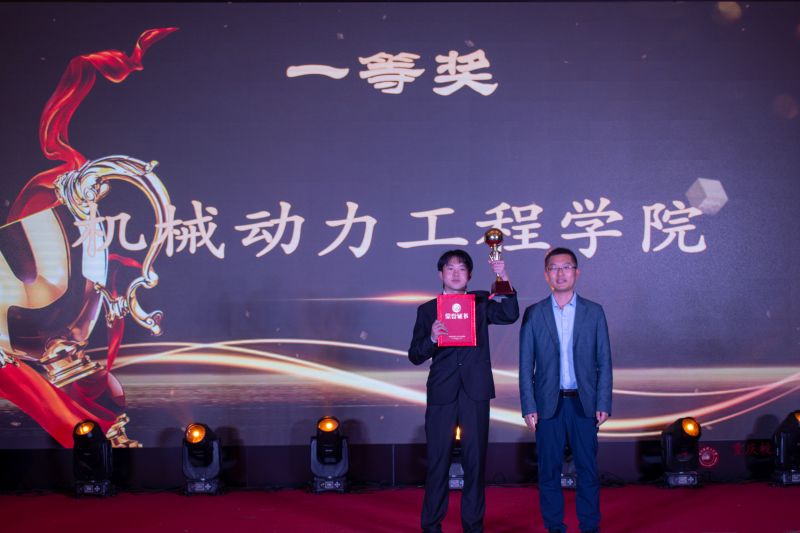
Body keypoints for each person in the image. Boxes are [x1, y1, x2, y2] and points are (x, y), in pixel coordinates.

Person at [409, 249, 519, 533]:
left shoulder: (480, 303)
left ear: (469, 274)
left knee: (475, 462)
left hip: (475, 391)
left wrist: (502, 276)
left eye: (462, 268)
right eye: (450, 268)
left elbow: (509, 314)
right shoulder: (427, 310)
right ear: (440, 274)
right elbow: (415, 354)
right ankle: (431, 526)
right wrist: (432, 337)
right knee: (437, 462)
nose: (456, 273)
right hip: (442, 392)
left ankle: (473, 526)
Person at [518, 247, 613, 533]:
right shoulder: (534, 314)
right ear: (546, 274)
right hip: (548, 405)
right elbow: (525, 364)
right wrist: (529, 406)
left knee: (587, 471)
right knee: (548, 473)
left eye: (566, 267)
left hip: (584, 404)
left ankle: (589, 527)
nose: (560, 273)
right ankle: (554, 528)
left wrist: (603, 401)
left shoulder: (593, 312)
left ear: (576, 272)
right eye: (554, 268)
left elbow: (604, 361)